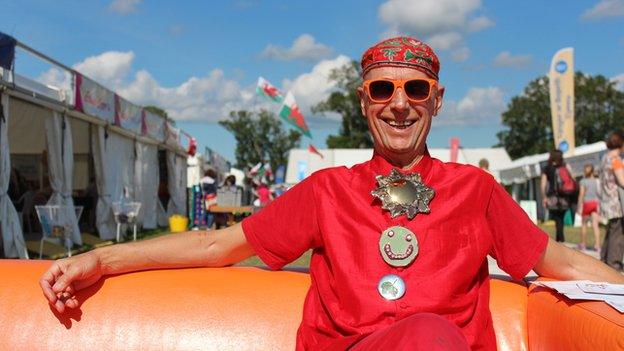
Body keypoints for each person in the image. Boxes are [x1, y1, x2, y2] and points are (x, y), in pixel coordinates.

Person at [40, 37, 624, 351]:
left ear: (438, 100)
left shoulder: (476, 190)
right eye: (383, 89)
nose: (400, 102)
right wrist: (99, 258)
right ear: (365, 103)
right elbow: (219, 246)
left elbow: (561, 260)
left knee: (431, 338)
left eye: (416, 88)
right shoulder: (326, 190)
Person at [599, 131, 624, 271]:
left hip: (606, 200)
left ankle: (604, 259)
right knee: (618, 234)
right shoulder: (616, 160)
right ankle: (614, 263)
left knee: (610, 231)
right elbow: (622, 181)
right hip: (616, 203)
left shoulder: (604, 158)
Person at [540, 150, 574, 242]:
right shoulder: (565, 166)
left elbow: (543, 185)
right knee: (560, 218)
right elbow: (573, 178)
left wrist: (544, 197)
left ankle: (560, 239)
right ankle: (560, 238)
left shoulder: (547, 168)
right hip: (564, 197)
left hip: (552, 197)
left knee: (557, 218)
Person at [576, 164, 601, 251]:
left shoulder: (583, 181)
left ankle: (583, 244)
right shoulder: (597, 181)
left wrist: (579, 206)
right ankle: (597, 245)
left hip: (587, 203)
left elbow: (581, 194)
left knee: (584, 224)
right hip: (595, 203)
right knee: (595, 225)